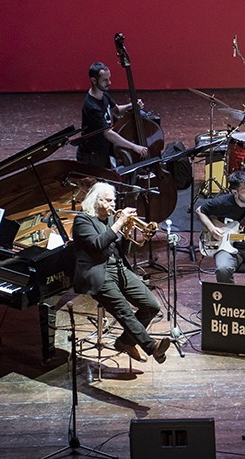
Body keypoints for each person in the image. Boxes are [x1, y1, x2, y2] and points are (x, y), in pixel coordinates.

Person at [72, 182, 170, 363]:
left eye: (113, 201)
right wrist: (119, 224)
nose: (113, 205)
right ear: (96, 200)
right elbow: (97, 245)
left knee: (151, 306)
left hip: (119, 268)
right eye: (108, 201)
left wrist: (126, 232)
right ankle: (152, 346)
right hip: (97, 272)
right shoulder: (82, 220)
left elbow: (122, 250)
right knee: (124, 311)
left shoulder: (111, 219)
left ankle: (125, 342)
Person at [75, 61, 149, 170]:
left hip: (103, 150)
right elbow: (108, 133)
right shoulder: (92, 107)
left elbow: (117, 110)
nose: (109, 82)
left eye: (109, 78)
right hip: (92, 155)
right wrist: (134, 147)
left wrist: (132, 105)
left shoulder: (104, 94)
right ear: (94, 81)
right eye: (105, 80)